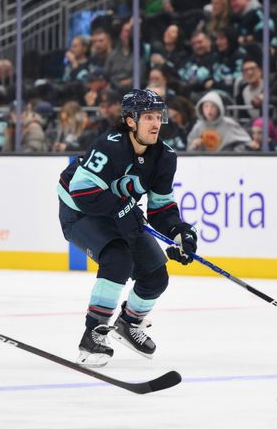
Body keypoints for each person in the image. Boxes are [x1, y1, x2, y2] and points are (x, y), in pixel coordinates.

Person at [57, 88, 198, 367]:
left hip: (116, 211)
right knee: (117, 258)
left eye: (158, 116)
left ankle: (128, 323)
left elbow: (161, 207)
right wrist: (122, 207)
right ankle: (93, 334)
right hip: (80, 212)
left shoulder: (165, 157)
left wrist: (178, 232)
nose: (156, 123)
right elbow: (81, 192)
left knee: (156, 275)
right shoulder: (109, 146)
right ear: (131, 121)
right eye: (148, 117)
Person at [187, 91, 251, 152]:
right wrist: (194, 146)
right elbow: (189, 150)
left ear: (219, 108)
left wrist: (233, 154)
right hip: (203, 161)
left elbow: (247, 142)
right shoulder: (198, 126)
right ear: (201, 108)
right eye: (206, 106)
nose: (209, 110)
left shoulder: (229, 124)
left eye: (213, 106)